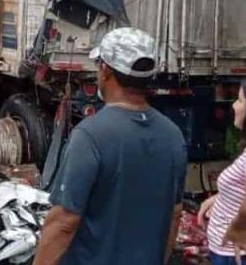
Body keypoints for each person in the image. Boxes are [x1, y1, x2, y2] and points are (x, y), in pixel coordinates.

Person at [34, 27, 188, 265]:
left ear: (105, 71)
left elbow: (64, 223)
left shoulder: (90, 136)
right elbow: (174, 215)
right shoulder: (173, 135)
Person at [197, 74, 246, 264]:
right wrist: (224, 196)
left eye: (240, 100)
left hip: (243, 257)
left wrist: (237, 227)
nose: (234, 106)